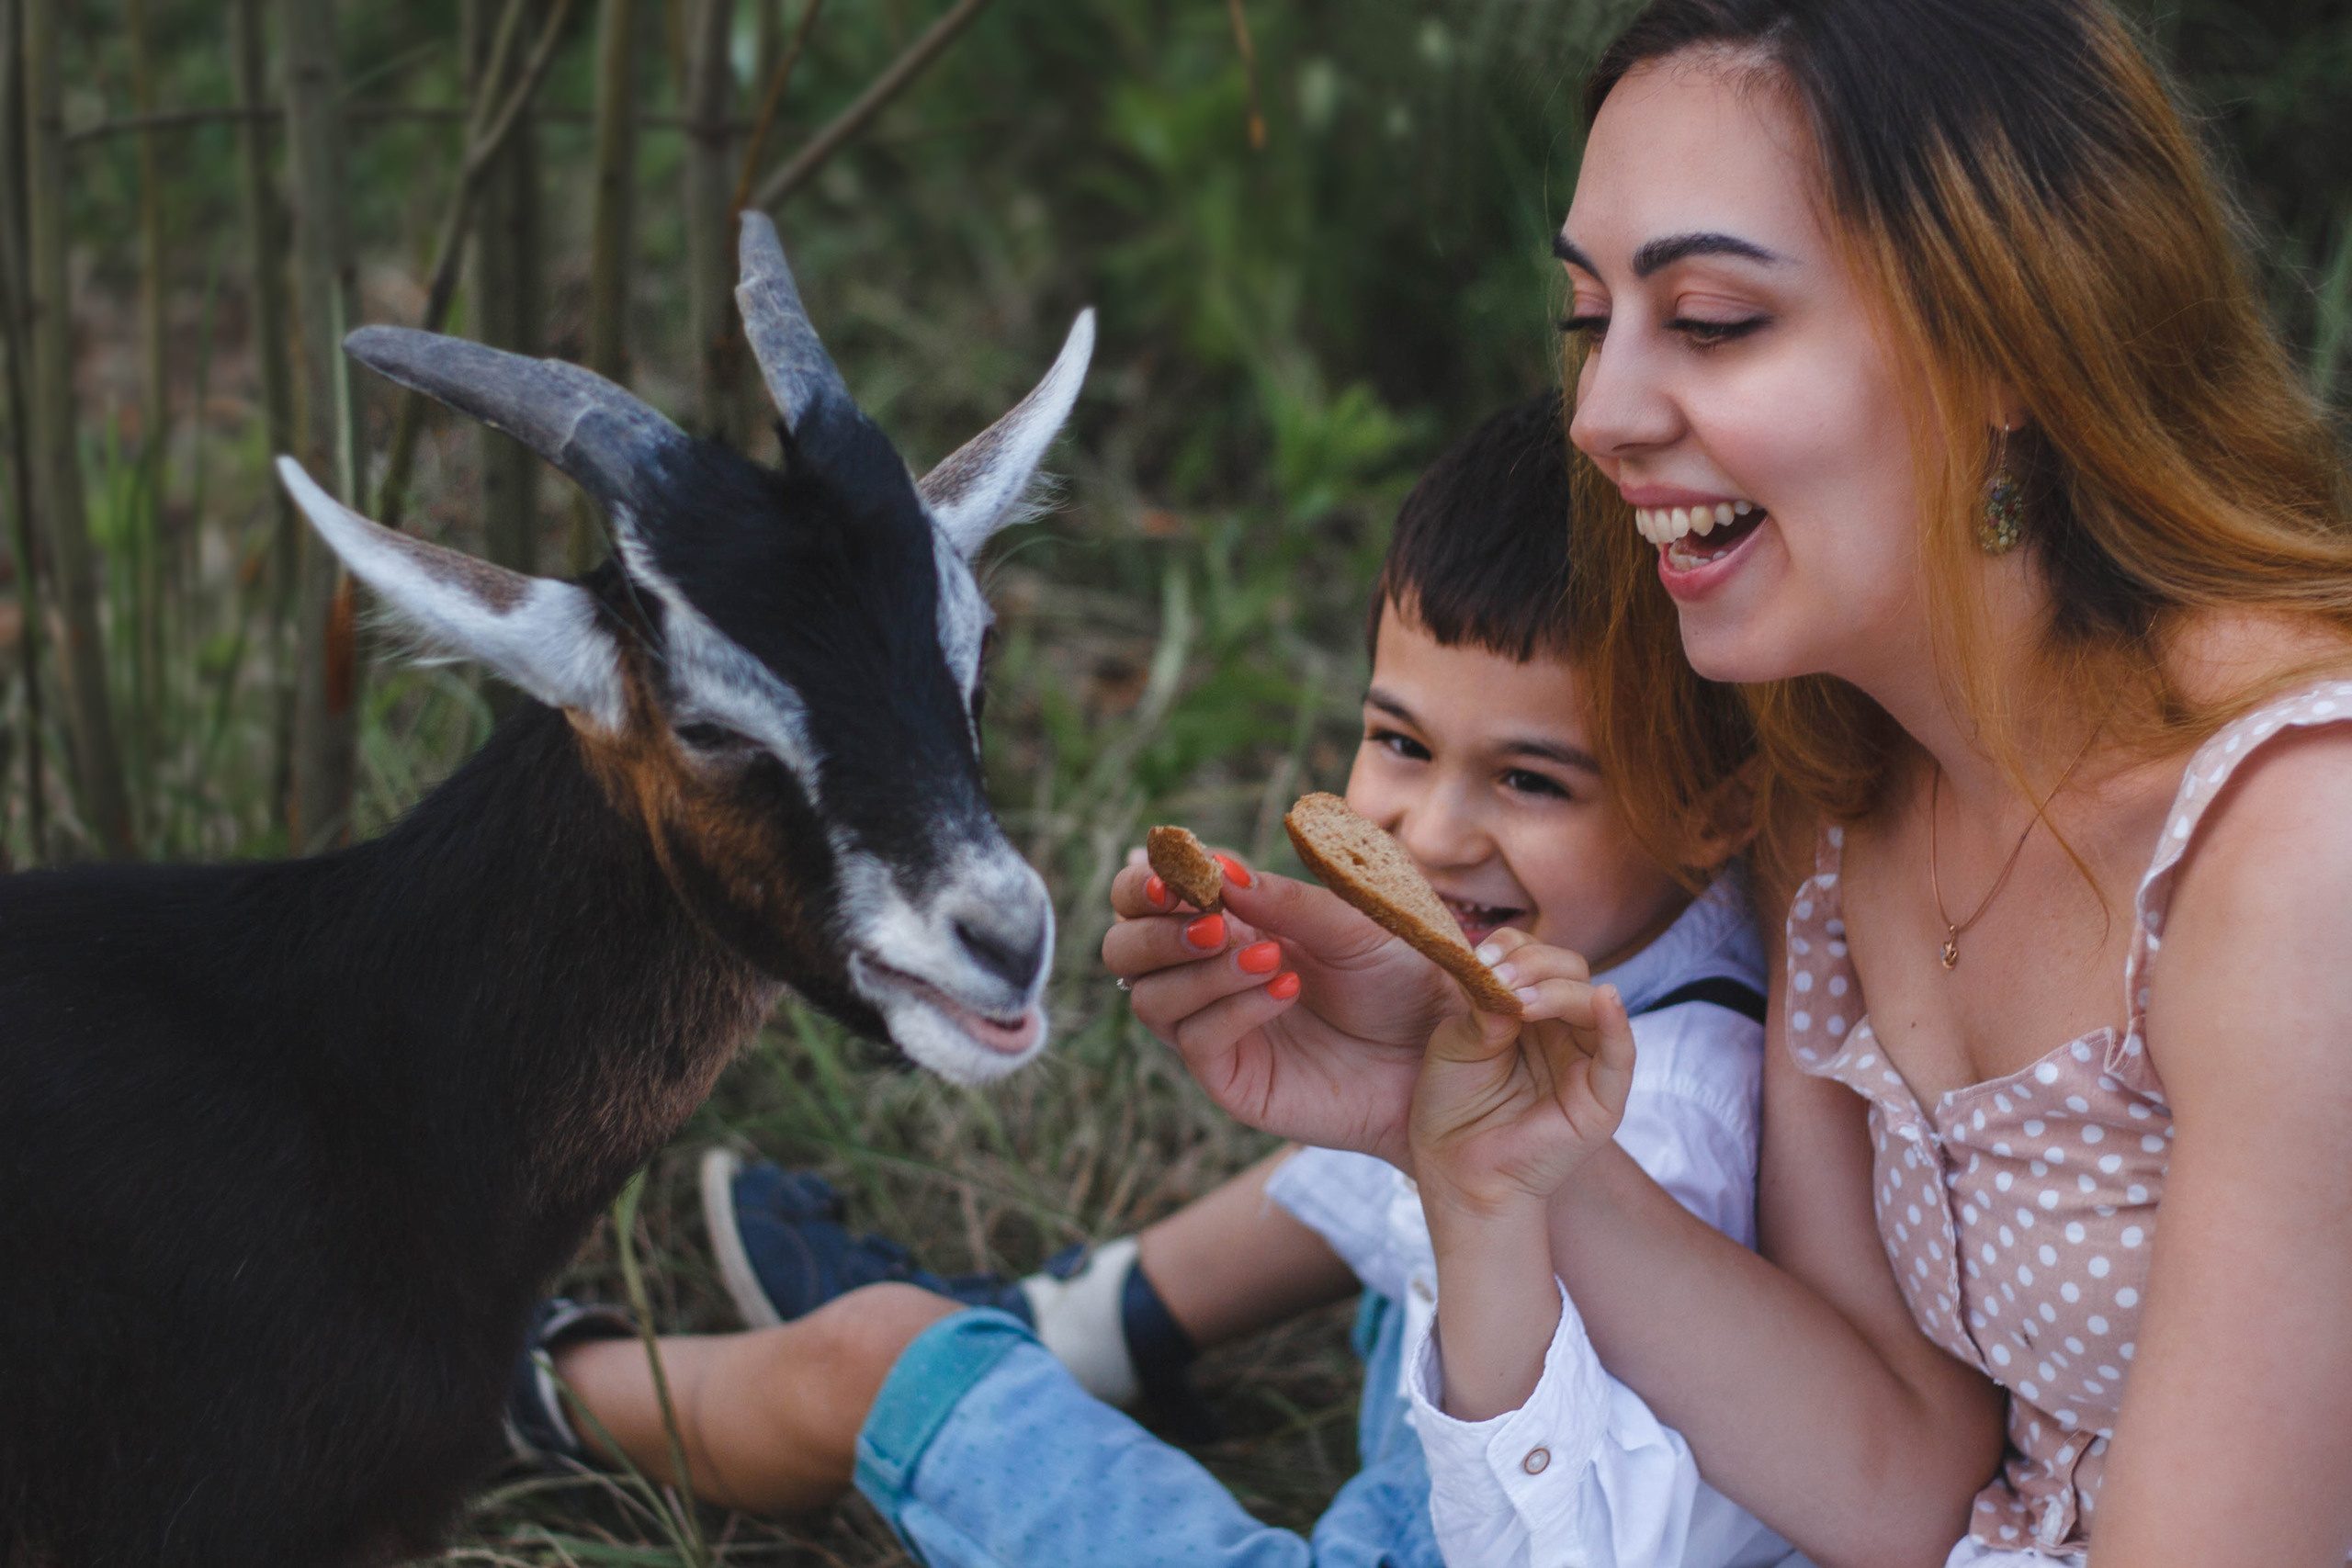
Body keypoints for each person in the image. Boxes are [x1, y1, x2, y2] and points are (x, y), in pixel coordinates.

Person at [1116, 2, 2352, 1564]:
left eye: (1707, 321)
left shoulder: (2296, 846)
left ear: (2010, 342)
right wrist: (1499, 1148)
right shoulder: (1842, 807)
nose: (1601, 417)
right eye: (1589, 322)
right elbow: (1904, 1476)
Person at [507, 393, 1804, 1566]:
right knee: (1406, 1103)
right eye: (1400, 742)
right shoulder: (1666, 932)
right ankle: (1078, 1322)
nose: (1432, 832)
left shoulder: (1669, 1125)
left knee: (881, 1358)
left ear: (1714, 808)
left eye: (1530, 780)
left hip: (1495, 1528)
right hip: (1463, 1378)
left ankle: (517, 1387)